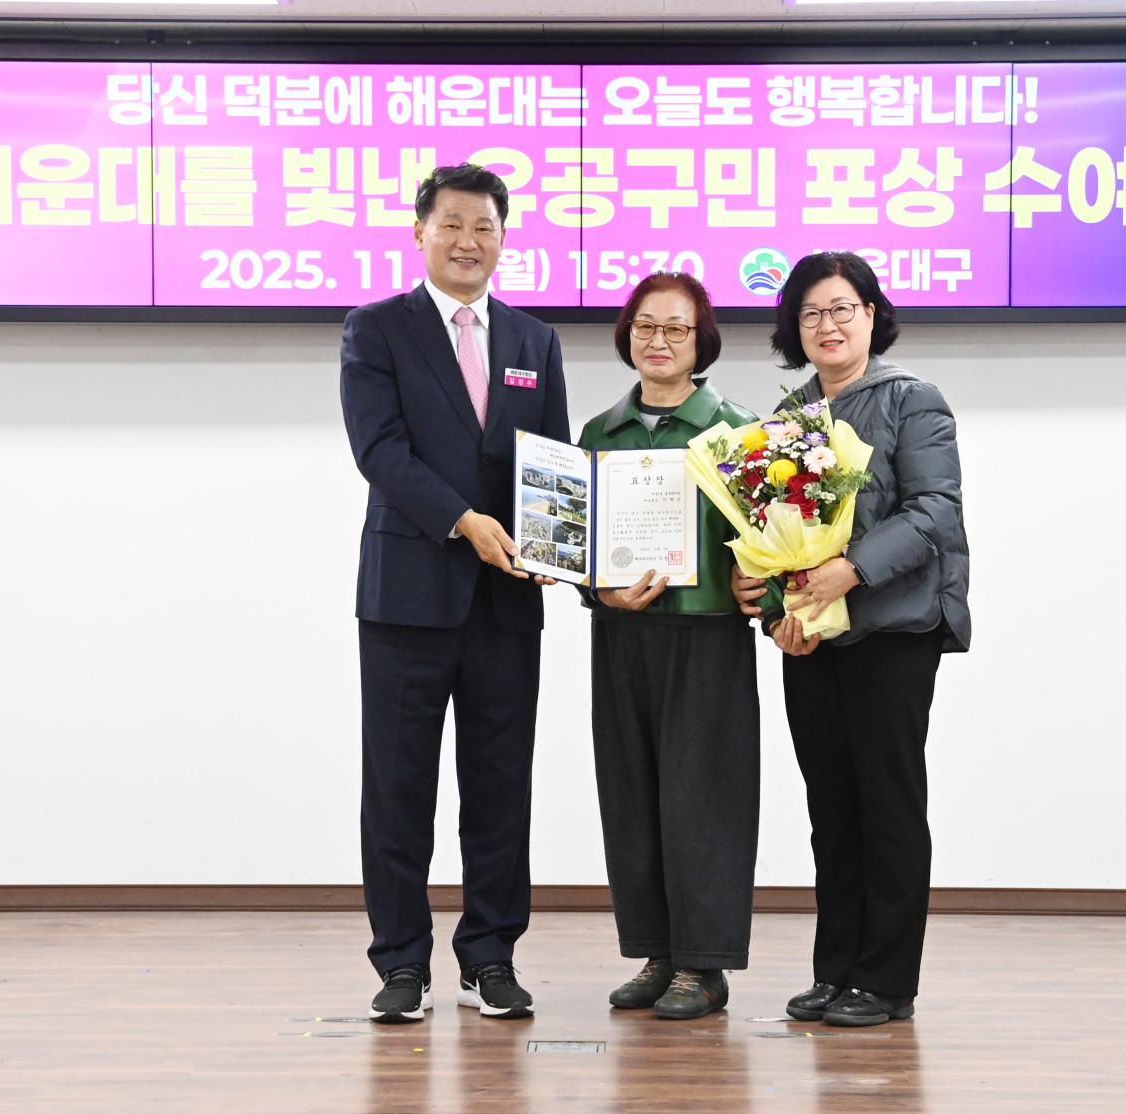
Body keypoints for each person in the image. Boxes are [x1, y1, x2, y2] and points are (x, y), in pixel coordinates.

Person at [340, 163, 570, 1025]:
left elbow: (551, 459)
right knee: (398, 788)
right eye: (452, 225)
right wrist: (465, 521)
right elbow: (380, 451)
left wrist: (559, 546)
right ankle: (403, 962)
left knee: (501, 788)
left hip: (507, 601)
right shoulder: (376, 329)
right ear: (420, 232)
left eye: (485, 227)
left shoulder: (534, 340)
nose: (468, 242)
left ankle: (490, 958)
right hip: (407, 596)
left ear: (504, 239)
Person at [732, 251, 970, 1028]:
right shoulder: (785, 418)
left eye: (841, 308)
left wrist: (850, 571)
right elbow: (770, 532)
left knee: (887, 806)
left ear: (872, 314)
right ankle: (836, 971)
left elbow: (934, 513)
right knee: (831, 809)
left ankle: (888, 980)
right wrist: (778, 613)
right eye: (810, 313)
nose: (826, 325)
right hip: (815, 639)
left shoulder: (912, 400)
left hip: (893, 631)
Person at [577, 273, 761, 1021]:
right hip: (623, 634)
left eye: (675, 328)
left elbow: (772, 541)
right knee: (633, 795)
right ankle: (658, 952)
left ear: (700, 340)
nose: (658, 341)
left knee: (704, 800)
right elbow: (575, 545)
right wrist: (600, 591)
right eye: (645, 327)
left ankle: (704, 965)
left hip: (707, 634)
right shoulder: (598, 433)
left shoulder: (737, 430)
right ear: (627, 336)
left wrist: (760, 583)